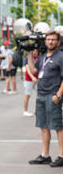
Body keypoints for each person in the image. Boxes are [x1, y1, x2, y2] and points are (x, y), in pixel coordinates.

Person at [26, 30, 63, 167]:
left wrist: (59, 95)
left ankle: (62, 155)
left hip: (53, 95)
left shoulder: (61, 56)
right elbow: (34, 71)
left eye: (53, 39)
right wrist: (30, 55)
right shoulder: (43, 57)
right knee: (43, 125)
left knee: (58, 126)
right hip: (41, 94)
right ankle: (45, 155)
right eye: (48, 39)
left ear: (58, 42)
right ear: (45, 41)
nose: (51, 41)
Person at [23, 49, 39, 116]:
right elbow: (28, 69)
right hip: (29, 79)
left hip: (38, 79)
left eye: (36, 51)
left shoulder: (39, 58)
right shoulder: (28, 58)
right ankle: (25, 111)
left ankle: (38, 110)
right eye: (33, 51)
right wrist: (32, 77)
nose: (35, 52)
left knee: (40, 95)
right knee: (27, 95)